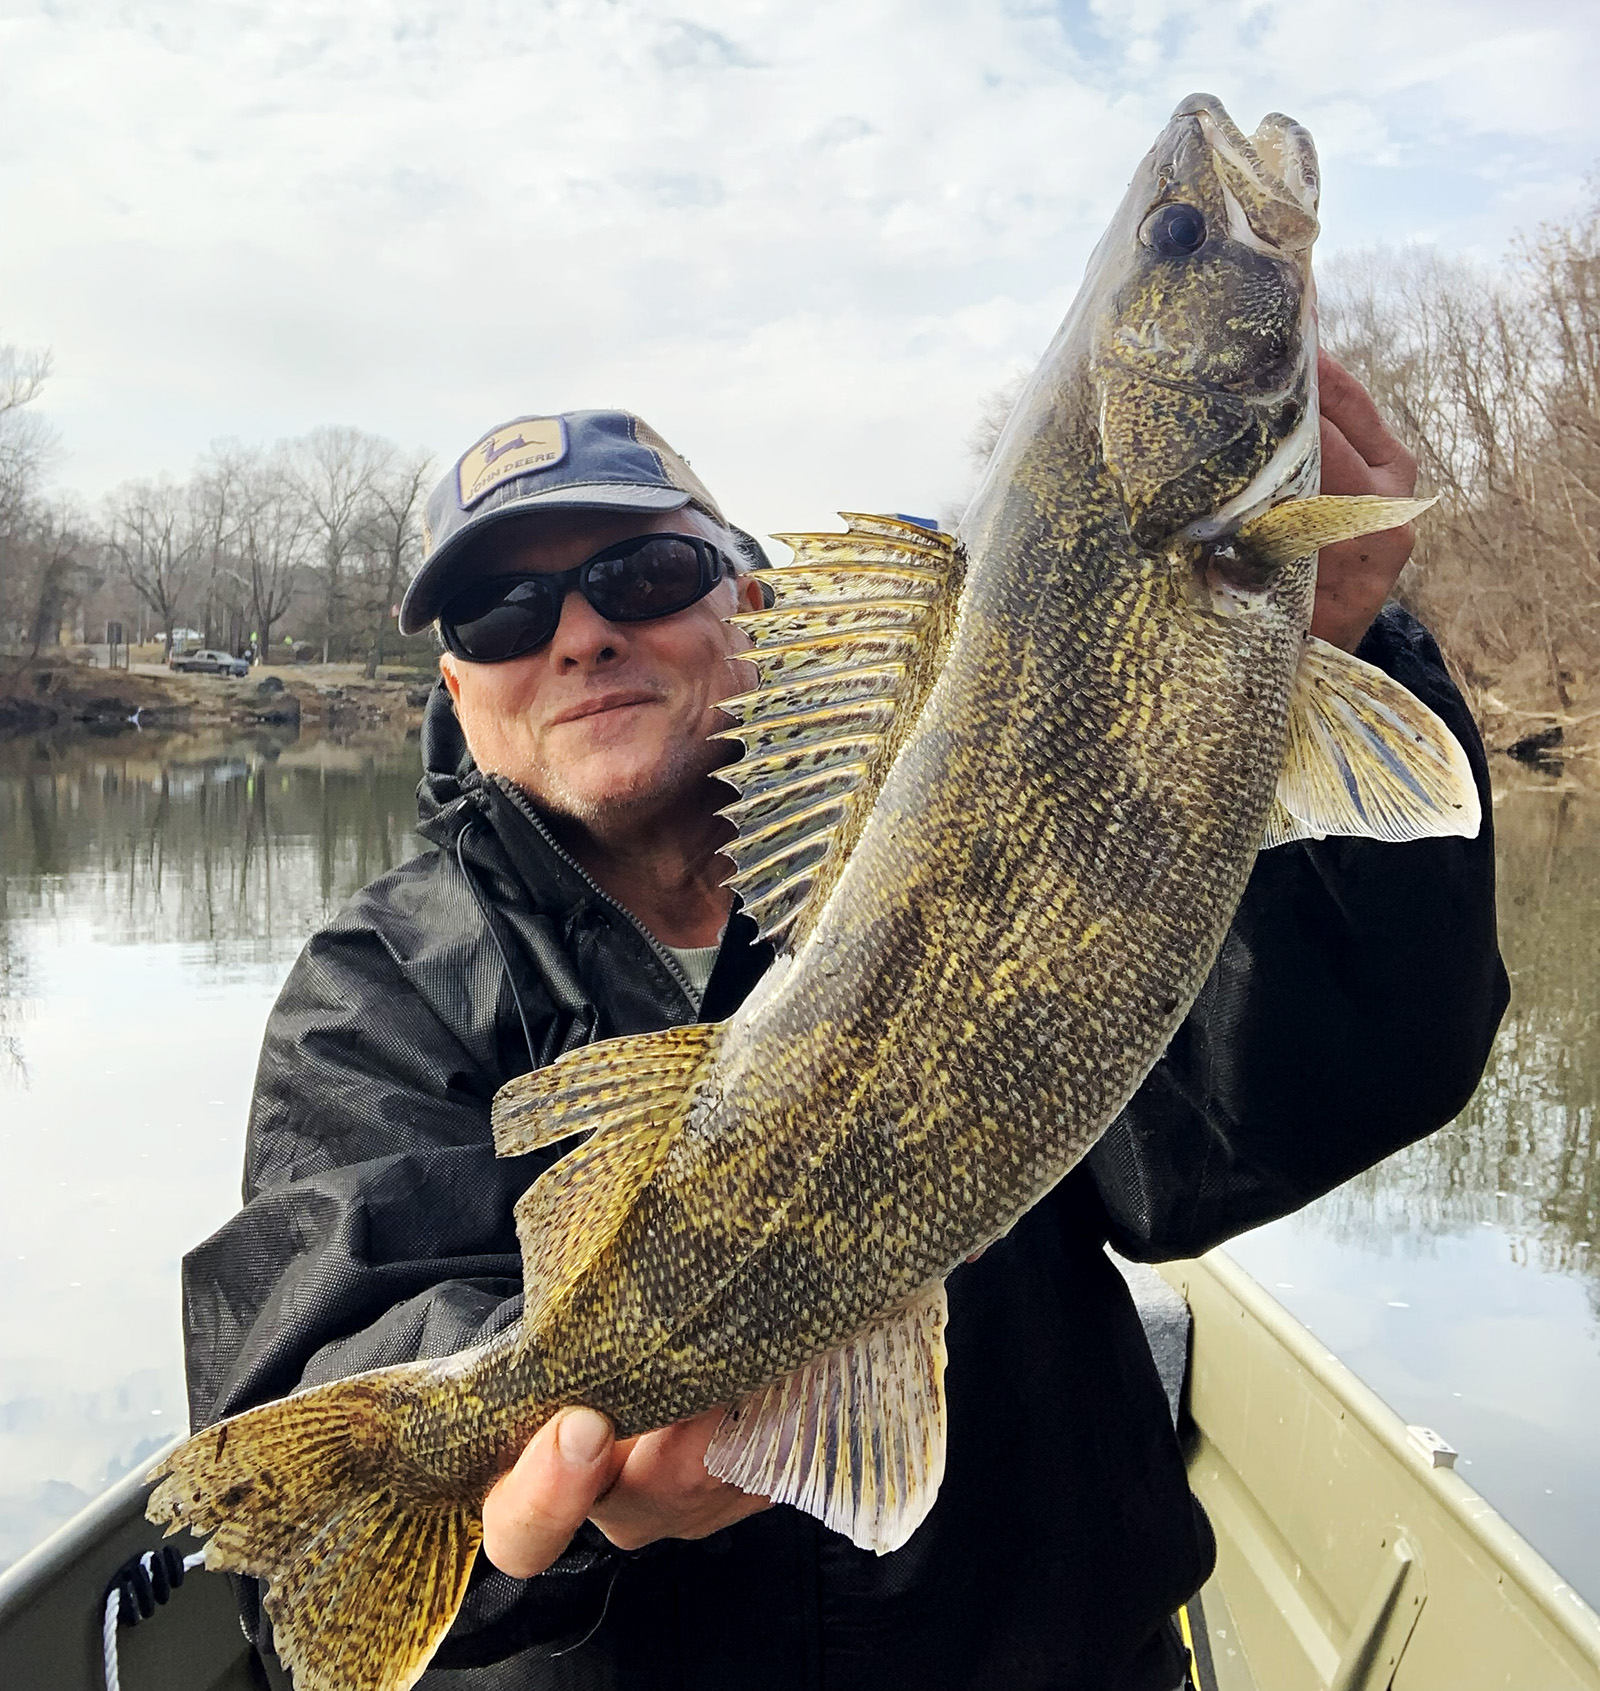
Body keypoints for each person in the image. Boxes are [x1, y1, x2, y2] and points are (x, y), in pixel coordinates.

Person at [183, 383, 1507, 1691]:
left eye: (644, 575)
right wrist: (557, 1500)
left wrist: (1315, 660)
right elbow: (318, 1367)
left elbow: (1255, 1123)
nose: (581, 634)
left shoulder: (1008, 827)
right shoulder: (372, 988)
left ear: (752, 604)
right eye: (502, 611)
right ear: (457, 687)